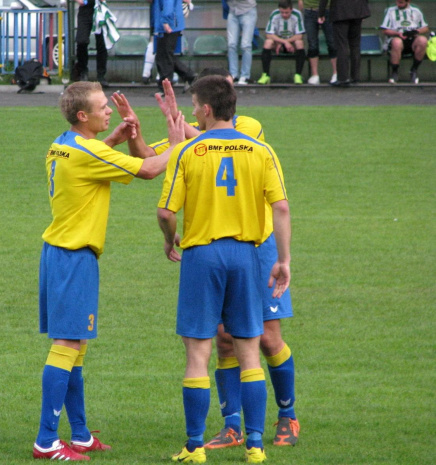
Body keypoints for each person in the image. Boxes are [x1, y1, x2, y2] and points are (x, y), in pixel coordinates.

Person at [33, 81, 184, 461]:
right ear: (83, 115)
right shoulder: (86, 153)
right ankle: (46, 440)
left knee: (76, 347)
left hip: (60, 253)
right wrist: (183, 144)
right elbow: (149, 169)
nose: (109, 112)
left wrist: (113, 140)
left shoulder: (63, 143)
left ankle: (80, 435)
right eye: (102, 107)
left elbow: (89, 161)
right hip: (73, 258)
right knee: (67, 344)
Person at [157, 75, 291, 464]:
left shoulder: (188, 151)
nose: (194, 111)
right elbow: (281, 207)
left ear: (207, 109)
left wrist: (171, 237)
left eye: (195, 105)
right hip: (248, 256)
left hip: (203, 256)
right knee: (250, 350)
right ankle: (255, 446)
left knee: (199, 352)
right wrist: (282, 260)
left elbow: (166, 211)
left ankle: (195, 447)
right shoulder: (261, 150)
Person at [318, 0, 370, 87]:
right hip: (358, 10)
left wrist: (321, 13)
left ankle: (343, 78)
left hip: (340, 11)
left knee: (342, 45)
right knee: (355, 45)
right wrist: (363, 9)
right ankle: (355, 76)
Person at [380, 0, 430, 84]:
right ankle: (395, 72)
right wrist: (397, 33)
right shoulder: (390, 10)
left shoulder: (416, 10)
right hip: (396, 37)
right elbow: (385, 30)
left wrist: (416, 32)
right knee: (397, 42)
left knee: (423, 40)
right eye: (397, 2)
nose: (398, 4)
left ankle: (414, 70)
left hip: (412, 39)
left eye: (401, 2)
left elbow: (425, 28)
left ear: (408, 1)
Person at [152, 0, 196, 95]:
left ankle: (166, 88)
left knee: (164, 57)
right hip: (171, 24)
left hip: (169, 25)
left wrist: (165, 22)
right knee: (166, 56)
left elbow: (168, 4)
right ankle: (189, 76)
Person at [257, 0, 306, 85]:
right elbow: (268, 34)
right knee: (268, 42)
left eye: (286, 12)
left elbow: (300, 35)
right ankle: (265, 75)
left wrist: (287, 42)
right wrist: (282, 42)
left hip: (291, 45)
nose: (284, 15)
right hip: (277, 44)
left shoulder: (297, 14)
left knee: (299, 43)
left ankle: (298, 75)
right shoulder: (274, 14)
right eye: (282, 12)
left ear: (291, 9)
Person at [298, 0, 337, 84]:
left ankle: (336, 73)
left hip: (327, 9)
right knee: (312, 43)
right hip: (310, 10)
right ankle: (315, 75)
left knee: (332, 42)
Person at [72, 0, 110, 88]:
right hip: (85, 10)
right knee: (81, 41)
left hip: (99, 9)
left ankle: (101, 76)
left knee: (102, 43)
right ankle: (83, 72)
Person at [222, 0, 258, 85]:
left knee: (245, 45)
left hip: (248, 11)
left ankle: (245, 76)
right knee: (231, 44)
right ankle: (233, 75)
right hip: (233, 11)